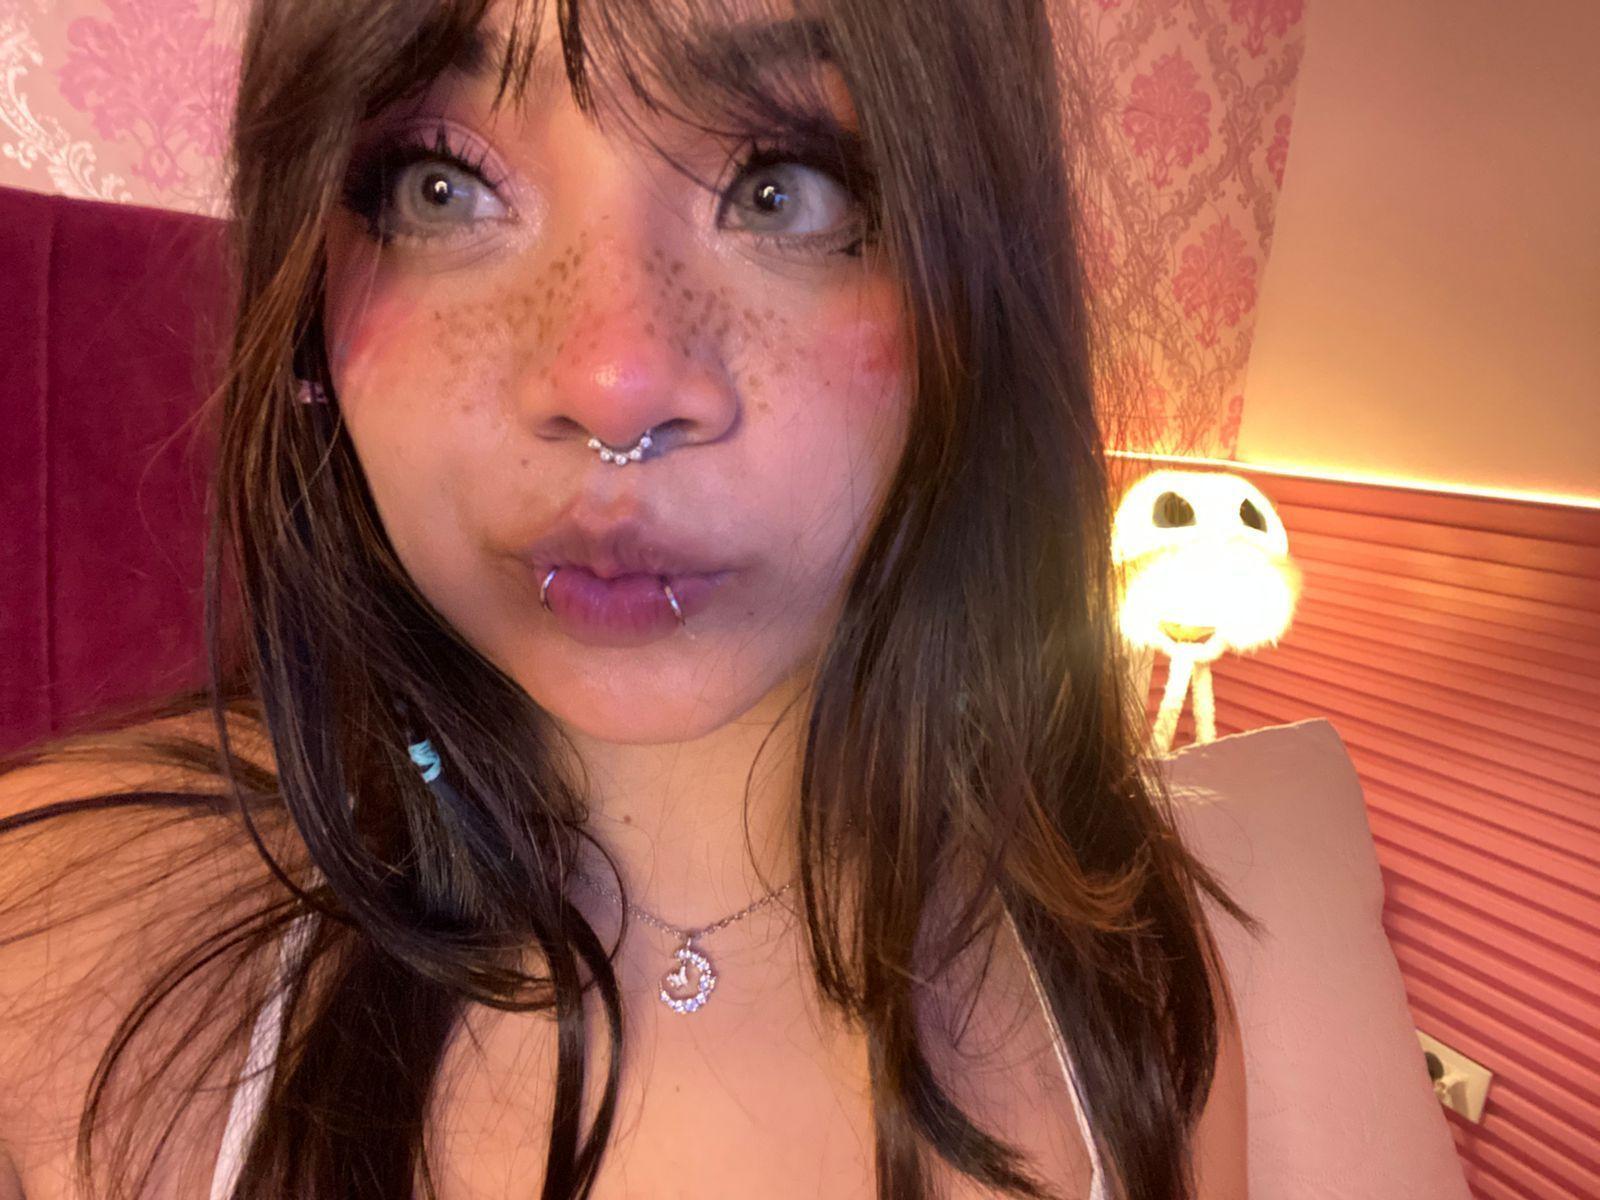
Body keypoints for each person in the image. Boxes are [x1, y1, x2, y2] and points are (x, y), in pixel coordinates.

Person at [0, 0, 1255, 1196]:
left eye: (784, 187)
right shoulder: (50, 938)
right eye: (439, 184)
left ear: (972, 295)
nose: (614, 384)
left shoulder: (1120, 976)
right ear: (311, 302)